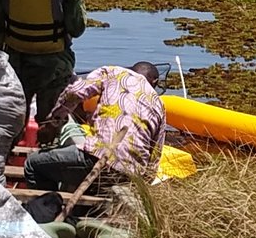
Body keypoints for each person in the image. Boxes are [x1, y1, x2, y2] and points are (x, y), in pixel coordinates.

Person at [24, 60, 169, 190]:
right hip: (131, 174)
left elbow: (75, 92)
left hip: (95, 159)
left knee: (33, 165)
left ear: (131, 69)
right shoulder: (159, 105)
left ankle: (47, 211)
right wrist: (141, 187)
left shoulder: (114, 73)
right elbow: (155, 155)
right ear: (155, 82)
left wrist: (52, 125)